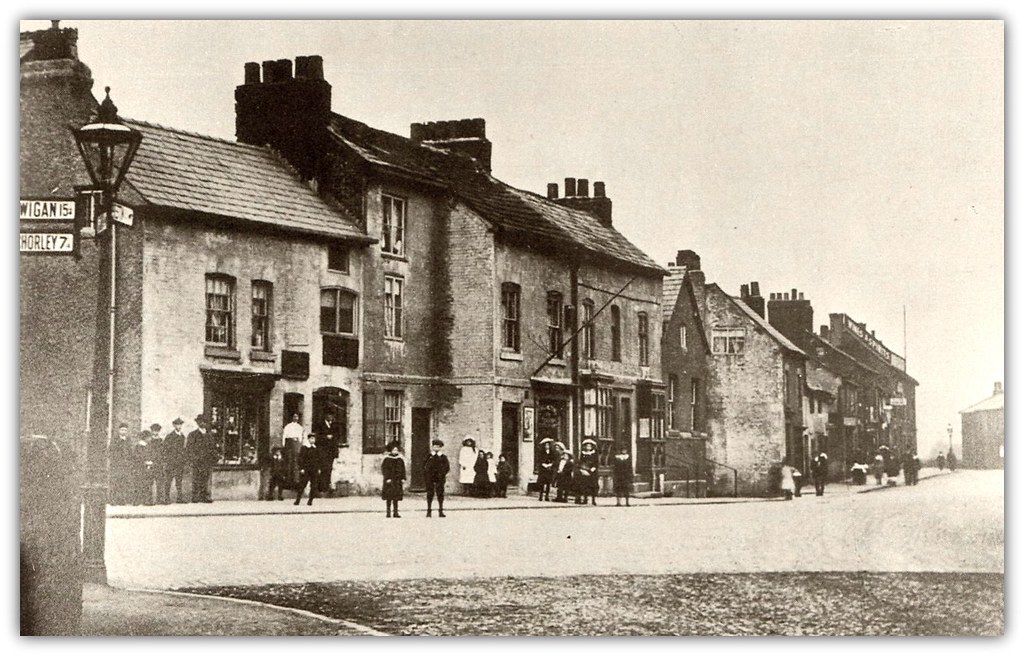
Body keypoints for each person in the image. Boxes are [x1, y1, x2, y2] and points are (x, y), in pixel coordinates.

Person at [187, 414, 217, 503]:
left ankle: (204, 496)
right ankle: (195, 496)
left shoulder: (209, 435)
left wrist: (214, 457)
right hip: (197, 461)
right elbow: (189, 448)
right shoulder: (193, 435)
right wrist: (193, 459)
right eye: (200, 421)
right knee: (196, 478)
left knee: (205, 478)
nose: (202, 423)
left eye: (204, 421)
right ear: (197, 423)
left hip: (207, 461)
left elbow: (212, 448)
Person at [162, 418, 188, 503]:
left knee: (179, 481)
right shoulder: (169, 436)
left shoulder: (182, 436)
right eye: (177, 425)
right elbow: (165, 449)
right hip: (171, 462)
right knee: (168, 480)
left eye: (180, 425)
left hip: (180, 462)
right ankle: (166, 498)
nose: (179, 426)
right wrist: (168, 460)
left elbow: (184, 450)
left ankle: (179, 498)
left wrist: (183, 459)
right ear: (174, 425)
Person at [316, 410, 340, 496]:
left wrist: (336, 451)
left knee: (329, 469)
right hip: (323, 451)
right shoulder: (320, 425)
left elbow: (337, 437)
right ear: (325, 416)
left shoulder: (335, 425)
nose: (330, 417)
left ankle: (326, 487)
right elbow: (317, 438)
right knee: (323, 468)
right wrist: (326, 437)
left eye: (331, 415)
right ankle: (321, 488)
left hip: (331, 451)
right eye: (329, 415)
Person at [424, 438, 449, 517]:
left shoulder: (443, 457)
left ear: (441, 448)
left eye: (438, 447)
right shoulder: (429, 456)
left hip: (440, 478)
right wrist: (427, 475)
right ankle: (429, 511)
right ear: (432, 447)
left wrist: (442, 474)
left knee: (440, 494)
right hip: (430, 478)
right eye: (435, 446)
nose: (436, 448)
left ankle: (440, 510)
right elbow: (424, 466)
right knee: (430, 494)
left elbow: (447, 467)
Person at [109, 423, 133, 505]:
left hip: (125, 465)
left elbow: (130, 452)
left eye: (125, 430)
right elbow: (110, 451)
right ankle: (113, 500)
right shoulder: (115, 440)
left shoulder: (128, 440)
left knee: (124, 483)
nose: (124, 432)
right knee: (115, 482)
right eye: (122, 430)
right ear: (119, 430)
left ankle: (122, 500)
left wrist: (129, 461)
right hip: (116, 465)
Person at [381, 442, 406, 518]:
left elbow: (403, 469)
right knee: (389, 497)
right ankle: (388, 512)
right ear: (391, 450)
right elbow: (384, 470)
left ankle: (396, 512)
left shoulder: (400, 459)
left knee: (396, 497)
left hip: (397, 481)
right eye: (394, 450)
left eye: (397, 450)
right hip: (390, 481)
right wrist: (387, 478)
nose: (395, 451)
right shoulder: (387, 459)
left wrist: (403, 478)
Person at [294, 433, 320, 506]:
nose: (313, 440)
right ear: (308, 439)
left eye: (314, 439)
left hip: (314, 470)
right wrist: (302, 468)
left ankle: (310, 500)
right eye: (311, 438)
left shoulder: (315, 448)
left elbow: (318, 460)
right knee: (302, 485)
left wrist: (318, 468)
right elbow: (300, 459)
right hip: (306, 469)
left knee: (314, 485)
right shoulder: (304, 448)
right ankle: (297, 500)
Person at [282, 413, 304, 489]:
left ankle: (296, 481)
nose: (296, 418)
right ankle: (288, 481)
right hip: (289, 444)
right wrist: (284, 445)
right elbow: (284, 436)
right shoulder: (288, 426)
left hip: (297, 445)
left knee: (296, 462)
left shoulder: (300, 427)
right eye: (294, 416)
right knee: (289, 462)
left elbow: (301, 438)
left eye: (297, 416)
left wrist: (300, 445)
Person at [575, 439, 599, 505]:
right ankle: (585, 499)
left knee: (593, 486)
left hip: (592, 471)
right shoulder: (583, 453)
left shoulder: (594, 454)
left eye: (590, 446)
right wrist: (582, 469)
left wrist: (593, 469)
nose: (588, 448)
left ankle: (593, 500)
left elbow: (596, 462)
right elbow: (581, 462)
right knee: (585, 486)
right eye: (587, 446)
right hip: (584, 470)